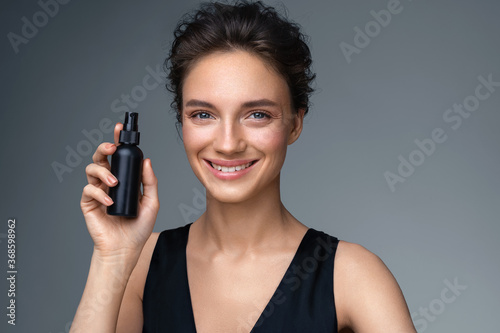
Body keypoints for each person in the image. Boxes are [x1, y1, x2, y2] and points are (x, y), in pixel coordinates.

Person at [71, 1, 417, 332]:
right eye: (203, 115)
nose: (227, 143)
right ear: (182, 123)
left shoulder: (352, 276)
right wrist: (111, 259)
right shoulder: (140, 265)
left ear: (295, 124)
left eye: (257, 115)